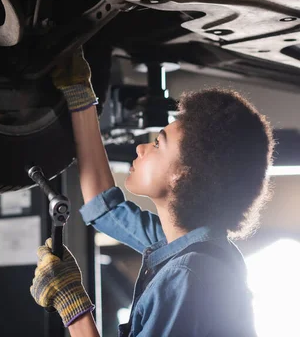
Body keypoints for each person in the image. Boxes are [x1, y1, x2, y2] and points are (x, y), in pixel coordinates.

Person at [30, 49, 274, 336]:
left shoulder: (188, 274)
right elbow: (103, 206)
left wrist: (73, 307)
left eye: (158, 144)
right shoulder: (191, 247)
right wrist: (81, 97)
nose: (141, 148)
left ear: (183, 173)